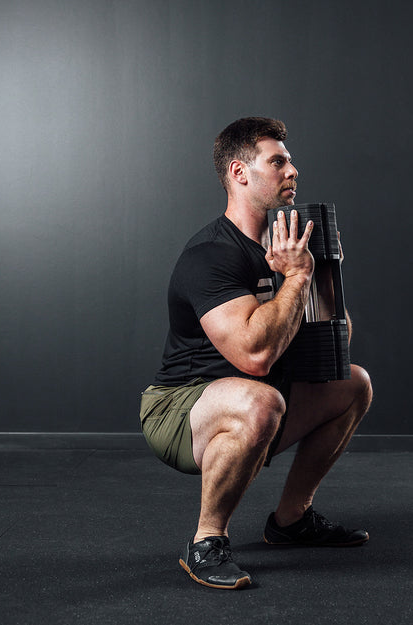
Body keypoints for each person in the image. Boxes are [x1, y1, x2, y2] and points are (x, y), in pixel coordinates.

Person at [139, 117, 373, 590]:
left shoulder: (285, 247)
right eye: (278, 161)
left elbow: (336, 340)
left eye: (290, 161)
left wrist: (322, 270)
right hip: (182, 407)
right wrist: (298, 279)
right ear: (240, 173)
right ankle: (206, 542)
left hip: (262, 398)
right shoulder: (210, 255)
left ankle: (291, 520)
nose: (294, 171)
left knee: (353, 382)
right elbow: (255, 358)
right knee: (262, 399)